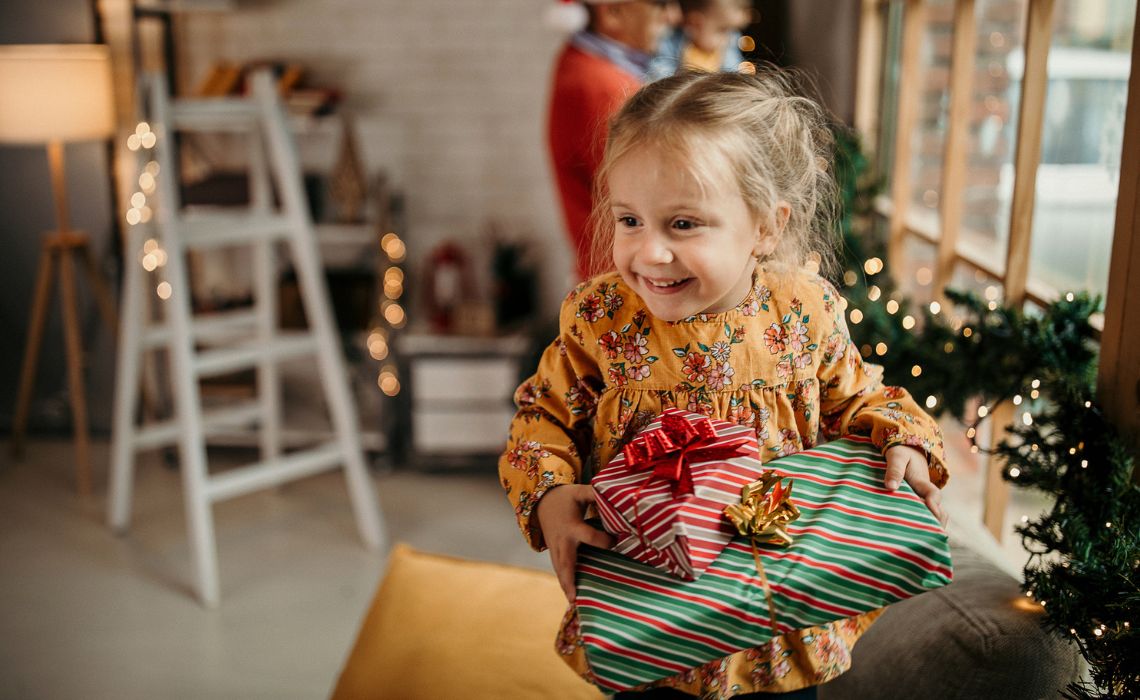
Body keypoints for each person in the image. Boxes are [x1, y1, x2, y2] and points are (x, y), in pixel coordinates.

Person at [500, 69, 948, 698]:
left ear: (766, 226)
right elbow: (540, 418)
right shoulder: (600, 317)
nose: (649, 252)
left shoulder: (805, 309)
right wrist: (549, 496)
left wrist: (902, 438)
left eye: (683, 224)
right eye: (630, 220)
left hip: (778, 613)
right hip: (651, 609)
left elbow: (861, 401)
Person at [548, 0, 679, 281]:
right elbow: (658, 190)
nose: (672, 16)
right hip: (629, 282)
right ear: (613, 13)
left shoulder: (582, 65)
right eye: (660, 5)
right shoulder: (604, 87)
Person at [647, 0, 751, 80]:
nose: (729, 39)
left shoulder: (727, 50)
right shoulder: (671, 44)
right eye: (722, 30)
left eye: (732, 31)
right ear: (695, 23)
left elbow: (735, 77)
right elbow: (658, 75)